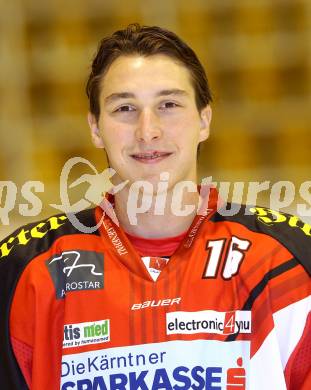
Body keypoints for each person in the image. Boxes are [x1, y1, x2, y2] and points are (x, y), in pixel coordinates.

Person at [0, 24, 310, 390]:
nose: (148, 130)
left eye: (169, 105)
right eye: (125, 108)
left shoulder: (287, 261)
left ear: (204, 120)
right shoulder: (27, 271)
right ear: (96, 128)